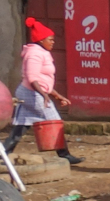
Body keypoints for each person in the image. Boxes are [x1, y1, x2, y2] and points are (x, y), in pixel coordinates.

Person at [5, 17, 82, 164]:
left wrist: (57, 95)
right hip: (31, 93)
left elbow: (42, 81)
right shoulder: (34, 54)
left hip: (31, 92)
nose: (53, 42)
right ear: (41, 40)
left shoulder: (40, 52)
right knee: (54, 121)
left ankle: (4, 154)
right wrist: (44, 95)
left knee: (21, 125)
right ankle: (64, 154)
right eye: (50, 39)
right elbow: (32, 77)